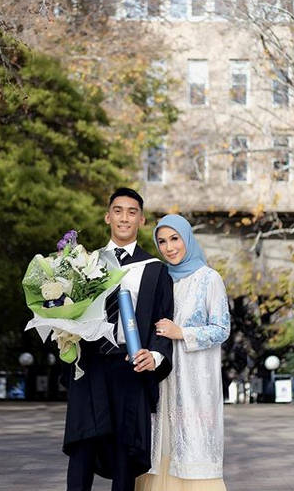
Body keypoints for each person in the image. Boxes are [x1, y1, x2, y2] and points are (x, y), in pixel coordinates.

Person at [64, 187, 174, 491]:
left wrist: (155, 356)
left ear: (141, 220)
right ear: (107, 216)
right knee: (82, 448)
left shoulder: (154, 270)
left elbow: (163, 323)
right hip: (90, 368)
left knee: (126, 455)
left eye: (132, 212)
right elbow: (68, 314)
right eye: (118, 210)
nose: (124, 218)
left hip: (130, 368)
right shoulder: (84, 264)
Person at [135, 214, 231, 491]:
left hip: (196, 383)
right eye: (162, 241)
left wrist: (183, 333)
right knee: (161, 447)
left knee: (194, 446)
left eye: (174, 239)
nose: (169, 247)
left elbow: (221, 329)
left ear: (187, 238)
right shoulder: (160, 279)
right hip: (163, 380)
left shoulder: (209, 279)